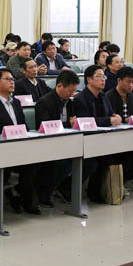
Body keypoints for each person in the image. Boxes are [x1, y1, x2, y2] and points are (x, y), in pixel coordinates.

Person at [0, 68, 39, 214]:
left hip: (19, 147)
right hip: (0, 150)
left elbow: (24, 127)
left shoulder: (16, 102)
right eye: (8, 79)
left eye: (13, 79)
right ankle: (14, 197)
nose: (12, 82)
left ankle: (24, 198)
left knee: (36, 162)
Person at [35, 70, 96, 205]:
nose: (72, 94)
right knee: (62, 163)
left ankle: (66, 188)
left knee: (91, 162)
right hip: (49, 144)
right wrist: (69, 124)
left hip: (69, 142)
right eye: (70, 90)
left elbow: (75, 121)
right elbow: (45, 126)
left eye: (74, 90)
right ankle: (43, 194)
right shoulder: (44, 102)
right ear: (59, 86)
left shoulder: (70, 102)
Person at [69, 65, 122, 202]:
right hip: (86, 140)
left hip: (103, 138)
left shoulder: (103, 96)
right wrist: (109, 120)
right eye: (99, 76)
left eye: (104, 76)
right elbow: (86, 122)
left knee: (116, 156)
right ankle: (79, 190)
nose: (103, 79)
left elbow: (111, 114)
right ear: (89, 79)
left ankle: (100, 191)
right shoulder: (80, 99)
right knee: (98, 160)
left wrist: (116, 117)